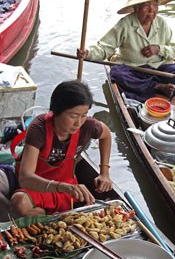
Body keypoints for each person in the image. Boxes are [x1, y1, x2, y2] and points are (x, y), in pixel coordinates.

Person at [77, 0, 175, 103]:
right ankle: (156, 86)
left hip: (159, 67)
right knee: (117, 74)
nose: (151, 10)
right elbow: (105, 48)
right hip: (134, 70)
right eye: (146, 5)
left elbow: (173, 49)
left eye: (155, 4)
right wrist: (87, 53)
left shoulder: (162, 23)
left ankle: (151, 86)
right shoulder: (125, 24)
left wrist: (159, 48)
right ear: (135, 8)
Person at [11, 80, 112, 216]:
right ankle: (48, 217)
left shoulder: (87, 126)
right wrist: (60, 186)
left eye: (84, 115)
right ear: (56, 111)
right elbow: (25, 178)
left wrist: (104, 172)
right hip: (37, 186)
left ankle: (56, 216)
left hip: (69, 188)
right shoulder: (39, 128)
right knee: (19, 202)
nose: (79, 122)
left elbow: (106, 135)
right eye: (73, 116)